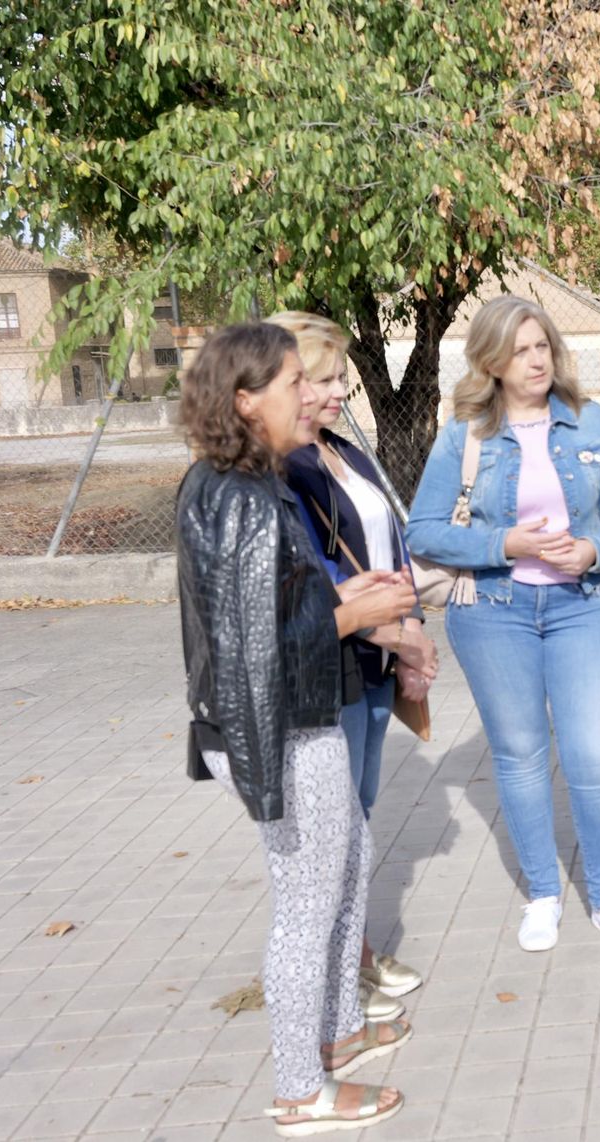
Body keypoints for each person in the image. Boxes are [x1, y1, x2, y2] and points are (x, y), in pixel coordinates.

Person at [176, 323, 420, 1134]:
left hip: (303, 716)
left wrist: (348, 606)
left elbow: (273, 614)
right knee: (305, 907)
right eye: (291, 385)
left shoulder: (250, 482)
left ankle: (340, 1033)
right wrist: (360, 612)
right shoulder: (241, 497)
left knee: (348, 860)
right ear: (246, 402)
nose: (306, 398)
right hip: (287, 728)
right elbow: (256, 651)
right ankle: (300, 1088)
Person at [406, 297, 600, 953]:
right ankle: (544, 895)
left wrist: (594, 549)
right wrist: (503, 545)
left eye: (542, 345)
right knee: (520, 755)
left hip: (581, 607)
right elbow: (423, 529)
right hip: (492, 613)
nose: (536, 359)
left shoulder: (588, 421)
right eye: (520, 349)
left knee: (595, 758)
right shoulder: (466, 434)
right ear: (491, 360)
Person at [271, 311, 438, 1020]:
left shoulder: (343, 449)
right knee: (331, 826)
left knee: (359, 814)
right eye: (323, 378)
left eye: (341, 377)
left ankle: (355, 952)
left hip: (377, 659)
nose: (339, 391)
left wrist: (411, 638)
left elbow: (390, 552)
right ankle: (345, 973)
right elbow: (320, 579)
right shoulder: (286, 470)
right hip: (332, 665)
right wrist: (399, 637)